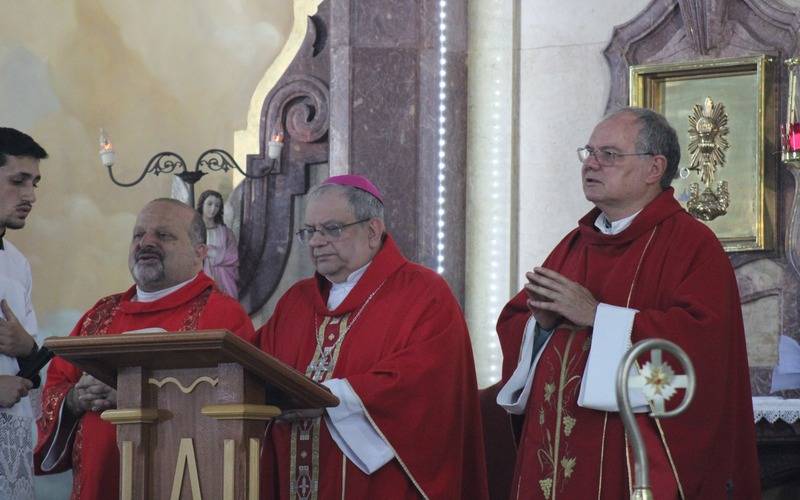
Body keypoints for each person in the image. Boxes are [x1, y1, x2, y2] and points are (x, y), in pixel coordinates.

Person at [496, 107, 760, 499]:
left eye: (609, 154)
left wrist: (598, 317)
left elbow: (703, 350)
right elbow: (518, 319)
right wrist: (542, 325)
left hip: (629, 457)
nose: (591, 164)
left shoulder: (692, 245)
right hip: (556, 450)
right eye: (588, 152)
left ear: (655, 168)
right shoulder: (574, 244)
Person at [257, 175, 489, 499]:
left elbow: (426, 387)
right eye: (309, 231)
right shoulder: (295, 301)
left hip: (378, 486)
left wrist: (326, 397)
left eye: (332, 229)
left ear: (372, 231)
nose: (316, 241)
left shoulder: (424, 293)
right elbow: (254, 364)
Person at [34, 198, 256, 500]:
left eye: (164, 235)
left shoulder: (222, 317)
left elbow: (235, 407)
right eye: (139, 235)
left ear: (200, 253)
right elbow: (57, 384)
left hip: (180, 484)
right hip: (97, 486)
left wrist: (135, 397)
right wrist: (73, 399)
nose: (146, 243)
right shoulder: (99, 316)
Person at [0, 127, 48, 500]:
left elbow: (30, 367)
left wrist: (29, 348)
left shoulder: (17, 264)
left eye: (34, 182)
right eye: (19, 181)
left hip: (10, 444)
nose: (30, 195)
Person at [197, 189, 239, 299]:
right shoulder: (193, 230)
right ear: (202, 204)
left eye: (217, 205)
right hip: (200, 279)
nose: (213, 209)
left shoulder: (226, 233)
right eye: (209, 204)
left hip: (223, 280)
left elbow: (233, 257)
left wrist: (213, 252)